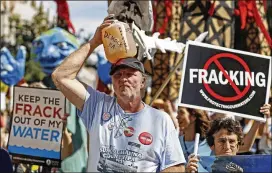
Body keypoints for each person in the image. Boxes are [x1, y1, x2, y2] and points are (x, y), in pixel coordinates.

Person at [52, 15, 186, 172]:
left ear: (143, 82)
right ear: (112, 82)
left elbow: (176, 167)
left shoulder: (161, 120)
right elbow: (60, 76)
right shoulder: (97, 105)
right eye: (118, 74)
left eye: (130, 73)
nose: (123, 78)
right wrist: (94, 42)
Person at [186, 105, 271, 173]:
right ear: (212, 145)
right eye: (222, 141)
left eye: (232, 141)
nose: (227, 147)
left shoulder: (243, 168)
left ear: (238, 146)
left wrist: (258, 118)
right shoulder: (199, 159)